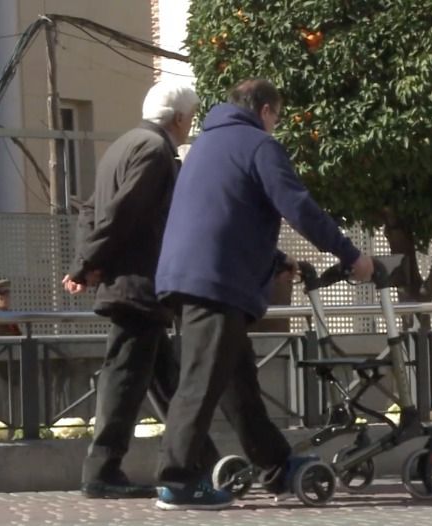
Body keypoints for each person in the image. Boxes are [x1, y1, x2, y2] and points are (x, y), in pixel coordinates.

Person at [152, 78, 374, 511]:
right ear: (267, 110)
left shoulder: (207, 146)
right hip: (217, 282)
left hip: (188, 277)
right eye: (277, 116)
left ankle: (276, 465)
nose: (276, 125)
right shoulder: (258, 145)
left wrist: (274, 260)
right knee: (200, 382)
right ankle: (176, 480)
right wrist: (351, 255)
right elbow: (299, 207)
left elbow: (226, 216)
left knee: (238, 383)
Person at [62, 81, 219, 499]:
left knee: (163, 377)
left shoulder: (123, 145)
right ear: (180, 118)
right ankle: (102, 471)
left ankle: (206, 461)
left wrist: (91, 262)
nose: (191, 126)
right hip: (139, 286)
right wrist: (87, 265)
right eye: (191, 118)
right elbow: (121, 214)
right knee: (126, 377)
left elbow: (91, 212)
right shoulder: (154, 152)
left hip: (128, 284)